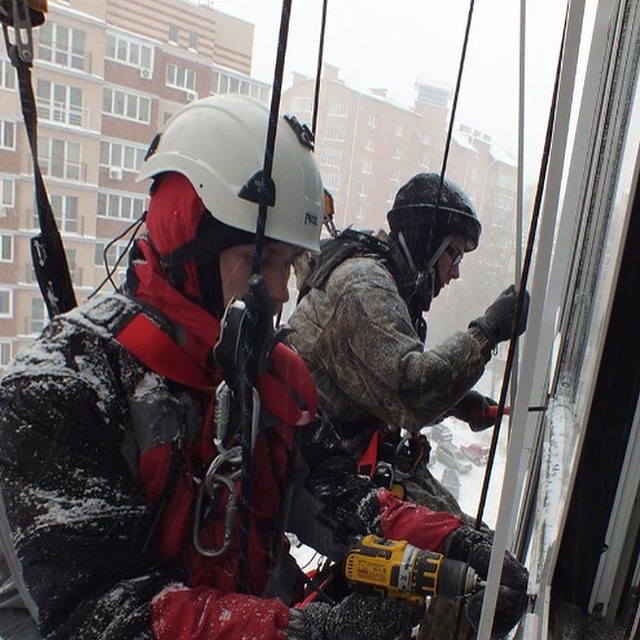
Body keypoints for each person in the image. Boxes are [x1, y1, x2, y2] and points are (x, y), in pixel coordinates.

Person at [0, 96, 527, 640]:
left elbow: (342, 500)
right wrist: (300, 633)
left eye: (286, 263)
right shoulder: (61, 393)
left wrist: (451, 542)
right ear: (191, 241)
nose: (279, 291)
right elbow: (95, 618)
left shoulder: (266, 379)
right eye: (261, 261)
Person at [286, 172, 531, 638]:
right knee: (491, 580)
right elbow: (409, 391)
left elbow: (376, 384)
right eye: (453, 254)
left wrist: (461, 404)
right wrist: (487, 333)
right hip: (332, 479)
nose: (454, 272)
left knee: (495, 571)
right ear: (427, 243)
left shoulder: (381, 281)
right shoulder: (365, 288)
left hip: (356, 463)